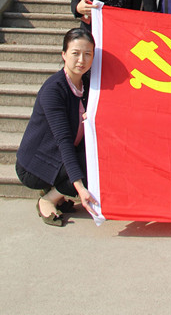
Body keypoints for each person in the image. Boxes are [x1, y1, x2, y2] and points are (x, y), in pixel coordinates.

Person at [16, 28, 98, 226]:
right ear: (63, 54)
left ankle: (58, 190)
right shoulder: (54, 89)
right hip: (36, 164)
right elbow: (63, 142)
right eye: (75, 53)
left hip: (62, 157)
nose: (81, 60)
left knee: (100, 158)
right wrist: (80, 188)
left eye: (88, 54)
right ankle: (48, 199)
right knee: (89, 166)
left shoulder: (89, 85)